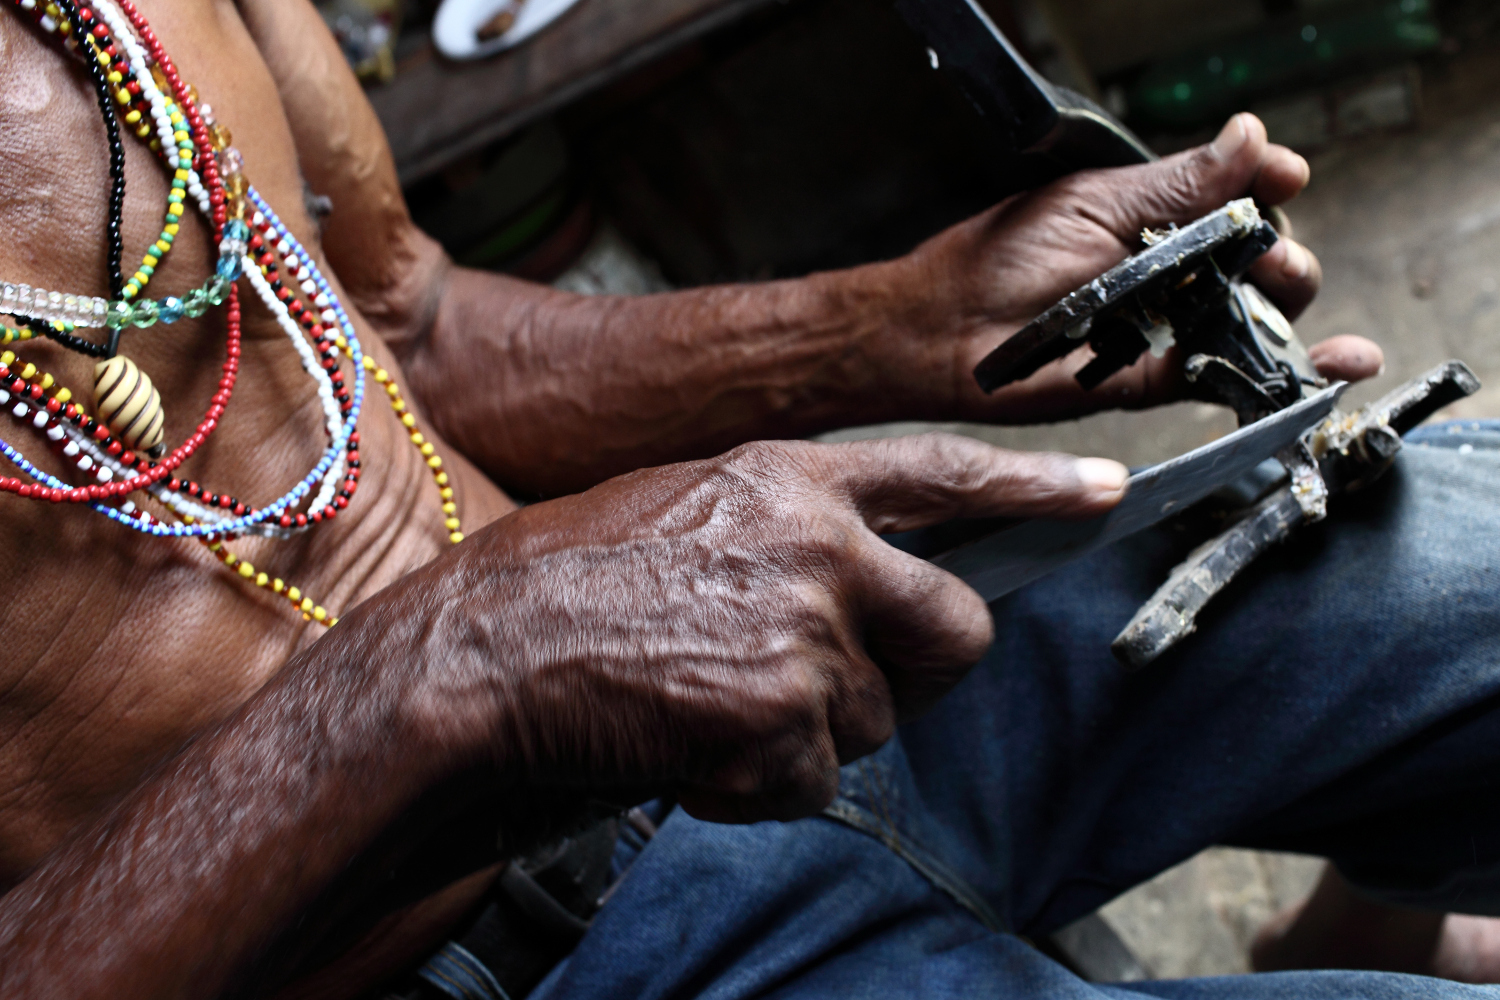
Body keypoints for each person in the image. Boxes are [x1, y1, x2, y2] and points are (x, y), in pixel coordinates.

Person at [0, 0, 1495, 996]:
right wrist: (451, 665)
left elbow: (408, 325)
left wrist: (896, 324)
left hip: (753, 654)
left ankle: (1377, 912)